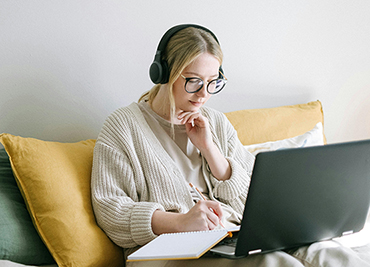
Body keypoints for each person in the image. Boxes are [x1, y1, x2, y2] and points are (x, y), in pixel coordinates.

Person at [91, 24, 370, 267]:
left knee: (330, 254)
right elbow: (111, 210)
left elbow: (254, 199)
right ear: (164, 73)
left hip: (228, 238)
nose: (204, 94)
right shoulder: (123, 126)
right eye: (194, 81)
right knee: (277, 264)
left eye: (213, 82)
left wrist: (211, 150)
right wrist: (179, 222)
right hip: (164, 255)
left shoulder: (216, 122)